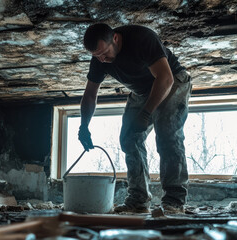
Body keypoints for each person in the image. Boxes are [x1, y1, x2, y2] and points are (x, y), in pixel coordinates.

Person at [78, 23, 192, 214]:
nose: (102, 60)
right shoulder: (99, 58)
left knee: (167, 135)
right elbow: (90, 94)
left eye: (105, 53)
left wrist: (146, 113)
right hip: (142, 91)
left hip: (171, 82)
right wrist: (83, 126)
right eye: (97, 56)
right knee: (129, 138)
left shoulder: (141, 38)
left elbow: (165, 78)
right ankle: (138, 201)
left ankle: (174, 201)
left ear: (115, 38)